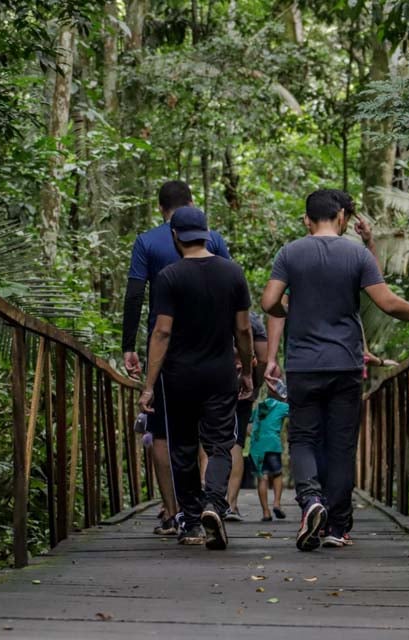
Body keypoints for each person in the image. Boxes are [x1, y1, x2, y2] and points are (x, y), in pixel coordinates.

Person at [261, 190, 409, 551]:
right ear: (341, 217)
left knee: (304, 438)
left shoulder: (289, 253)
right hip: (347, 364)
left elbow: (268, 302)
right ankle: (338, 527)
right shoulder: (356, 253)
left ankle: (310, 500)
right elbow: (385, 300)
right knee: (341, 446)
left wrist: (290, 310)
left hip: (305, 365)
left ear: (308, 219)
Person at [138, 206, 254, 549]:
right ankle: (214, 503)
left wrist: (149, 385)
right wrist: (246, 370)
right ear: (206, 233)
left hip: (178, 377)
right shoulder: (233, 273)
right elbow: (244, 328)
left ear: (175, 236)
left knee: (183, 447)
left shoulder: (170, 277)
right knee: (219, 443)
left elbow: (161, 332)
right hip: (220, 374)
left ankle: (189, 522)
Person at [122, 180, 231, 536]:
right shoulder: (211, 239)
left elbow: (136, 294)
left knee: (166, 434)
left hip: (167, 354)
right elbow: (230, 293)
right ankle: (206, 507)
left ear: (160, 210)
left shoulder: (147, 242)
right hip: (213, 350)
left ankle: (175, 512)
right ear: (192, 204)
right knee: (208, 435)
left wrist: (129, 346)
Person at [224, 312, 269, 520]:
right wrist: (254, 386)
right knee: (236, 442)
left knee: (206, 438)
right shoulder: (252, 321)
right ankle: (230, 504)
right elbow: (263, 358)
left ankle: (209, 500)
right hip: (243, 387)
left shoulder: (207, 310)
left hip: (211, 382)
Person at [249, 389, 289, 521]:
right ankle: (277, 504)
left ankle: (266, 513)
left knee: (262, 478)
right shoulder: (282, 406)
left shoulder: (260, 407)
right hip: (272, 445)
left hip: (257, 448)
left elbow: (249, 428)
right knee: (277, 474)